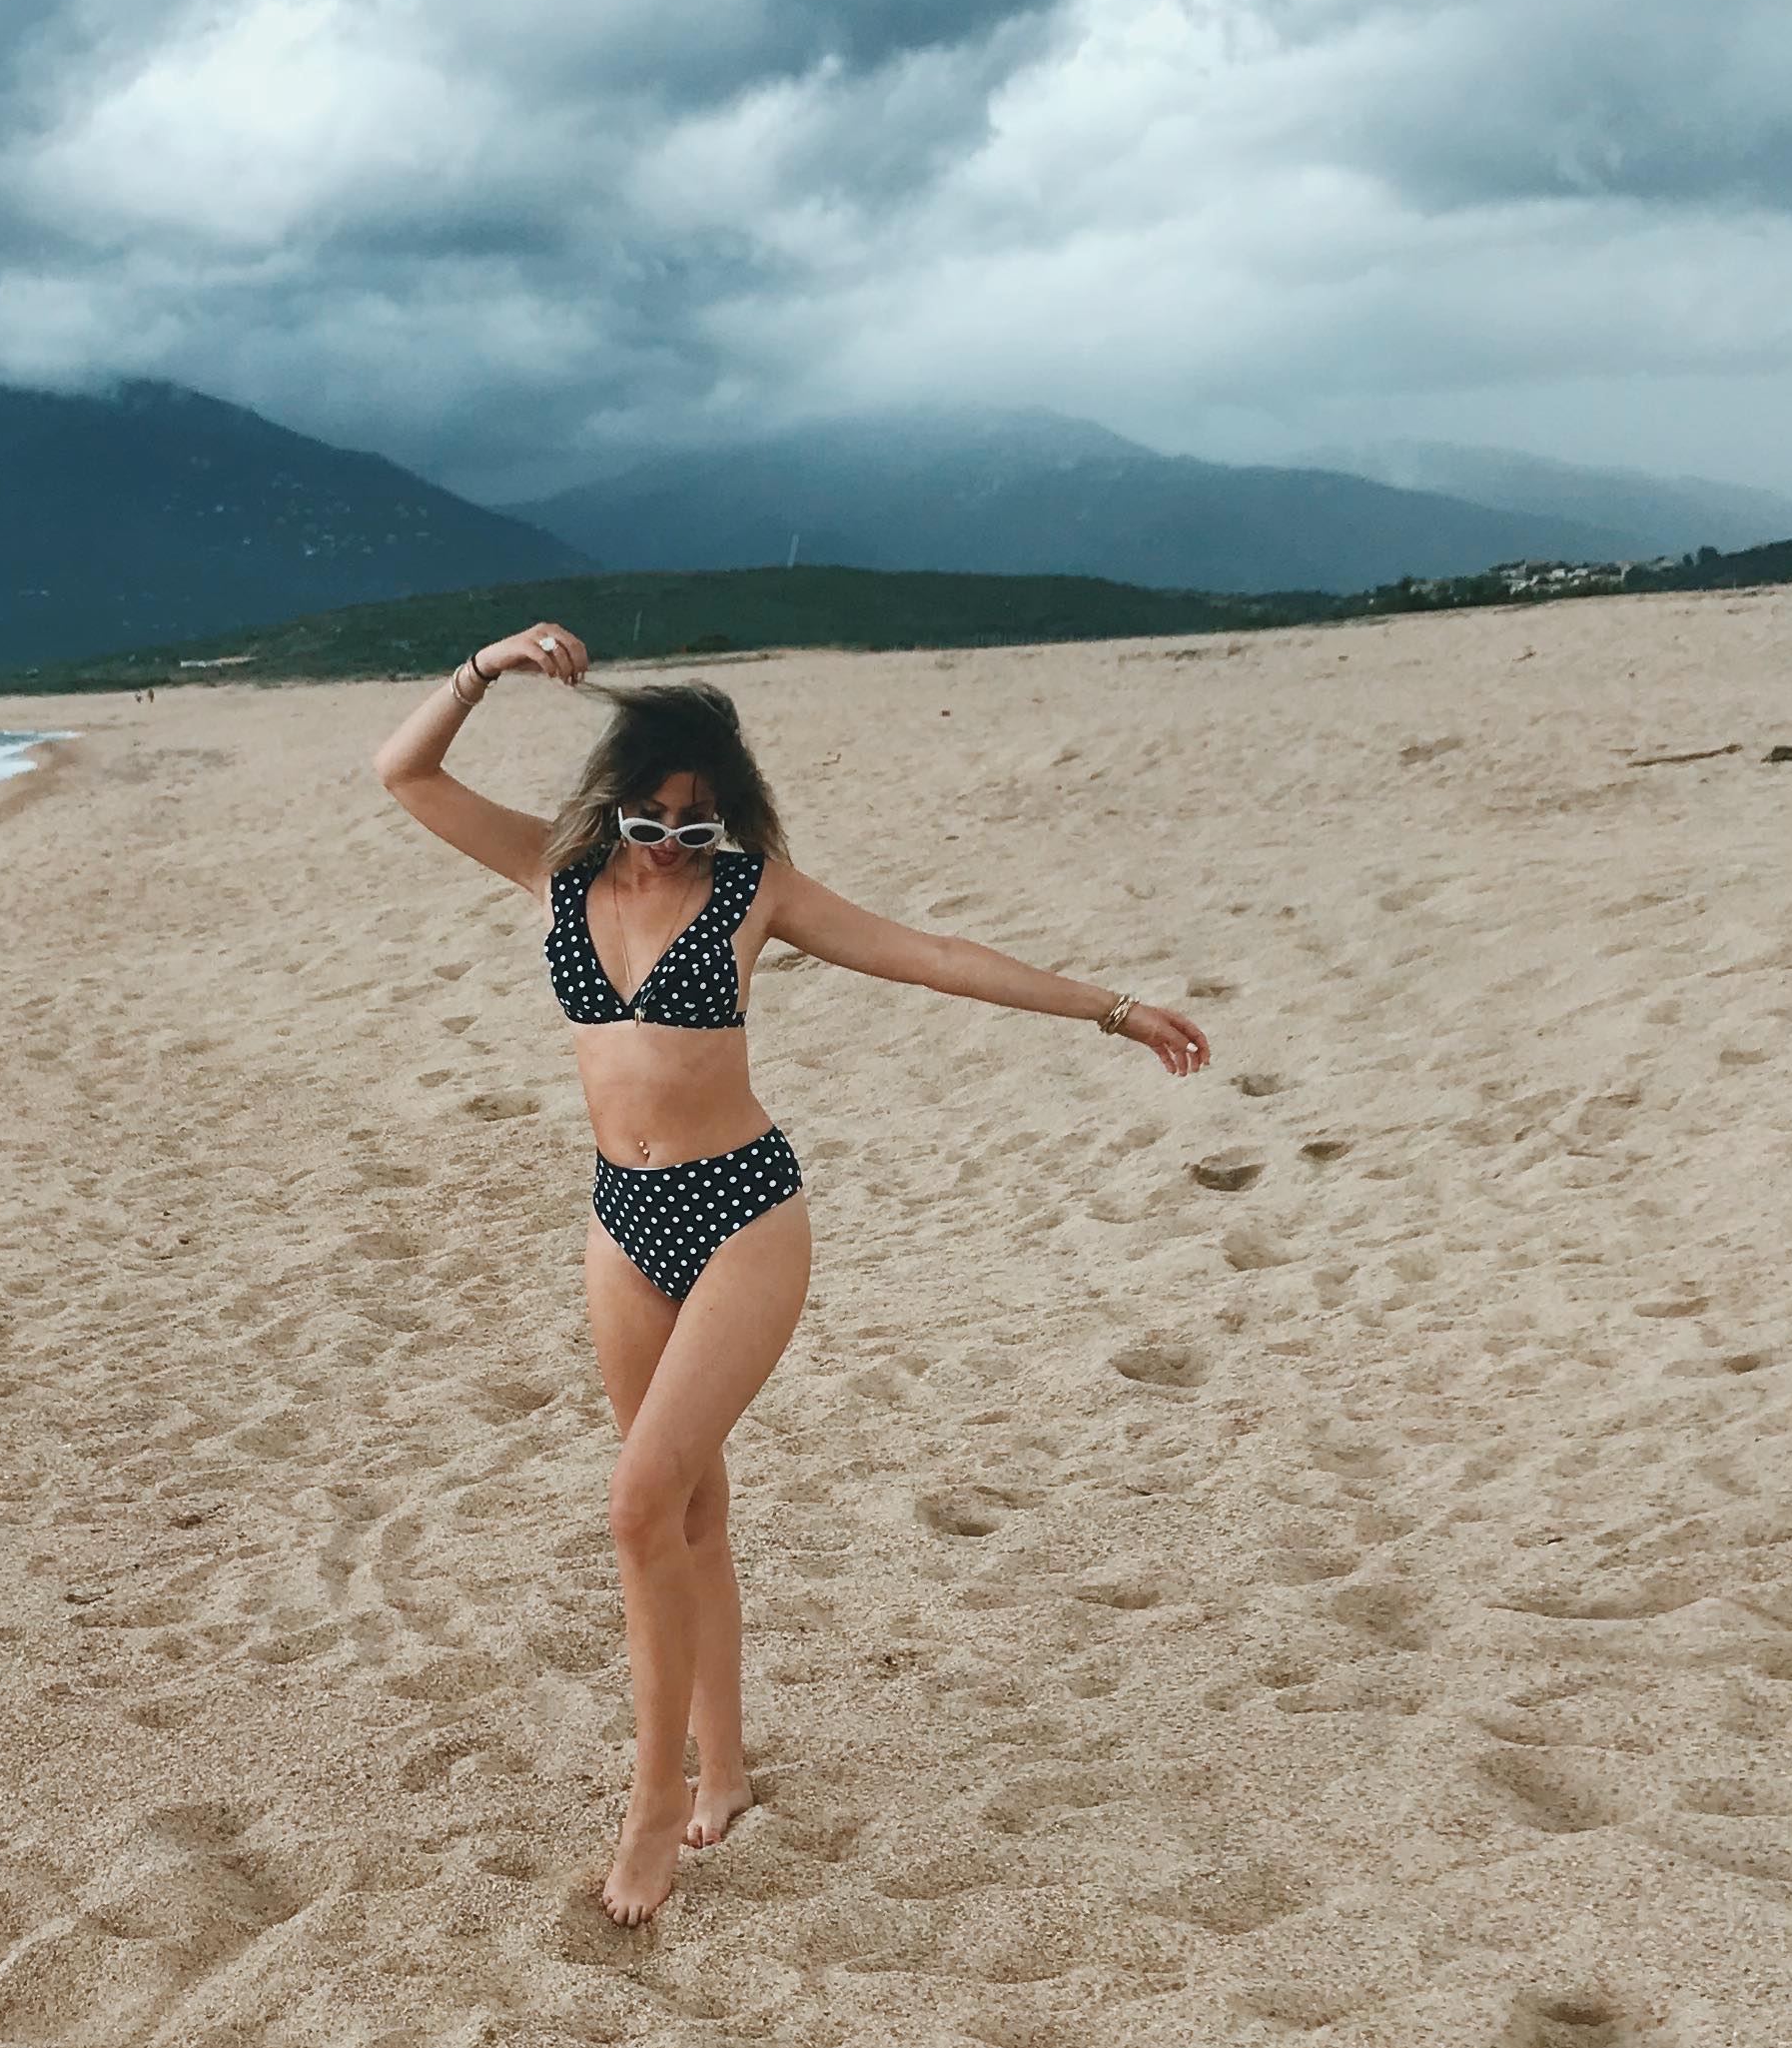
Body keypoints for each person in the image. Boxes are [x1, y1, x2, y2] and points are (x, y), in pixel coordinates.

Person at [371, 622, 1211, 1923]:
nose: (670, 842)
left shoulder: (752, 889)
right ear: (613, 798)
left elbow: (932, 954)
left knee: (636, 1508)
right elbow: (406, 774)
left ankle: (653, 1804)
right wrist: (483, 669)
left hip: (743, 1214)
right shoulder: (554, 871)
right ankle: (723, 1767)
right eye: (650, 817)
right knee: (687, 1511)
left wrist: (1110, 1008)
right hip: (621, 1221)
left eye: (697, 822)